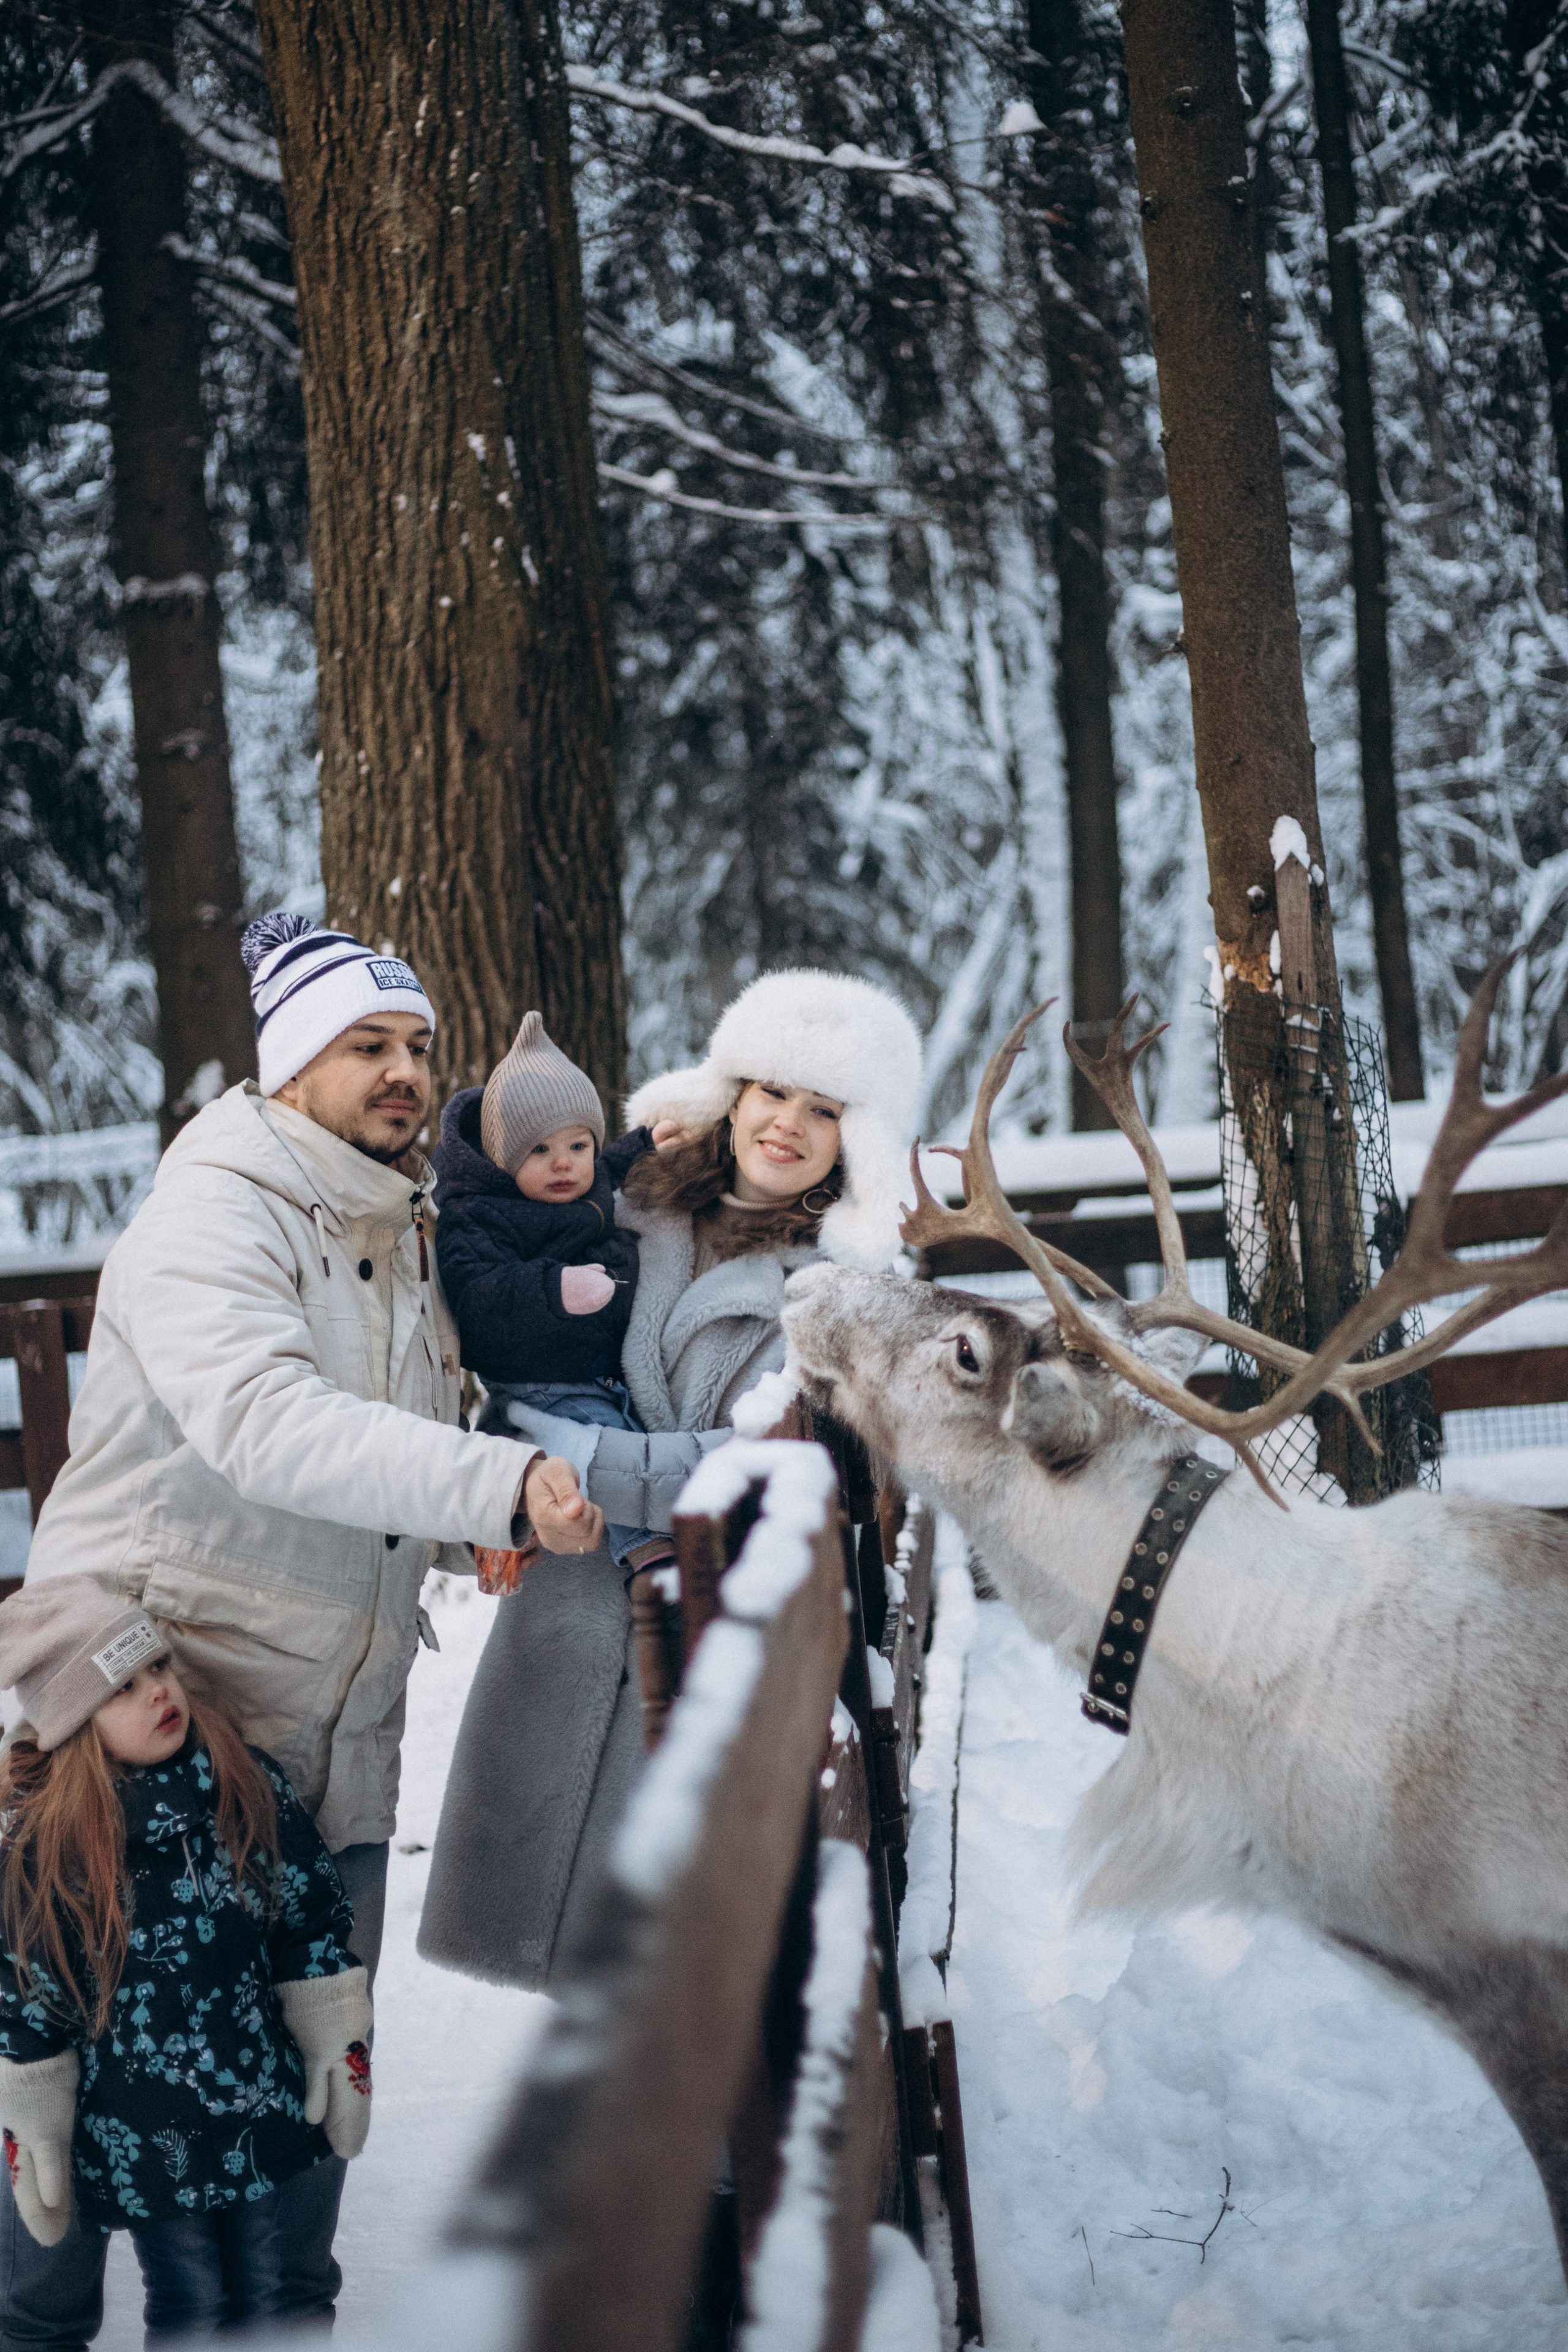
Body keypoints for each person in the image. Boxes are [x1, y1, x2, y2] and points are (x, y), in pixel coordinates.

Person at [7, 913, 598, 2346]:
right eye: (364, 1046)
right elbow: (265, 1420)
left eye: (414, 1048)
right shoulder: (217, 1211)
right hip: (136, 1743)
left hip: (318, 1751)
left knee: (296, 2131)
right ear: (285, 1066)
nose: (401, 1073)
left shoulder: (391, 1218)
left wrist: (449, 1489)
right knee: (53, 2170)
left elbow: (369, 1431)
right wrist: (494, 1483)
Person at [419, 968, 923, 1990]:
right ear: (730, 1094)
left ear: (856, 1138)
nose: (785, 1124)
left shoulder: (847, 1291)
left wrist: (574, 1461)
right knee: (566, 1941)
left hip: (719, 1627)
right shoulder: (618, 1207)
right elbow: (509, 1354)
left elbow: (791, 1464)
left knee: (678, 1970)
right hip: (576, 1611)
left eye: (823, 1110)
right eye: (771, 1091)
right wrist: (522, 1447)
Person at [0, 1580, 371, 2342]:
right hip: (143, 2137)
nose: (158, 1693)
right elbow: (29, 1987)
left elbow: (306, 1912)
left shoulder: (240, 1781)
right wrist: (34, 2114)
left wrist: (334, 2033)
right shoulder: (52, 1849)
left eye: (158, 1668)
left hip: (255, 2104)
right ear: (78, 1726)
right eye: (123, 1690)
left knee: (267, 2287)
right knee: (192, 2299)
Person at [431, 1011, 683, 1582]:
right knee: (605, 1449)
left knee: (630, 1437)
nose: (564, 1163)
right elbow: (478, 1293)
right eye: (540, 1150)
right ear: (503, 1159)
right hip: (539, 1377)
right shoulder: (480, 1213)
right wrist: (554, 1289)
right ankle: (651, 1553)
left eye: (577, 1144)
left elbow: (605, 1170)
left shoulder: (579, 1176)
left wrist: (643, 1146)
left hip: (596, 1367)